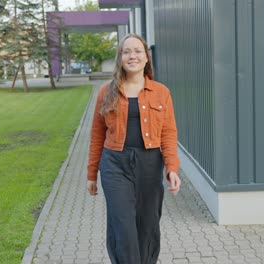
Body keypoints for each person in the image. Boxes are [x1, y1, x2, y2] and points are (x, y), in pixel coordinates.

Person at [86, 34, 181, 264]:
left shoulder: (161, 92)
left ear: (146, 58)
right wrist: (91, 174)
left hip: (150, 164)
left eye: (138, 51)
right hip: (115, 164)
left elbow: (168, 133)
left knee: (148, 223)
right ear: (120, 58)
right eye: (127, 51)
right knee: (123, 223)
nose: (132, 56)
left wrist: (172, 168)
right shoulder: (106, 92)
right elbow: (97, 135)